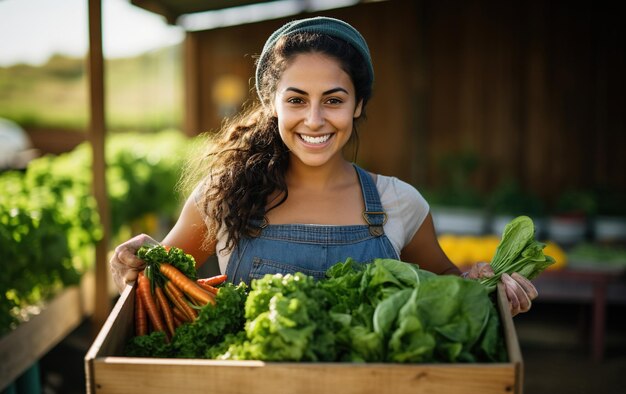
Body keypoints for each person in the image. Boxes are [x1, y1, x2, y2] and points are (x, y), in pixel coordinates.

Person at [110, 16, 537, 316]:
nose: (314, 120)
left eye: (333, 100)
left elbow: (451, 290)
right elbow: (153, 288)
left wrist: (486, 284)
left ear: (358, 106)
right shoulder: (223, 194)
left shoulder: (399, 203)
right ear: (271, 105)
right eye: (296, 100)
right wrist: (131, 264)